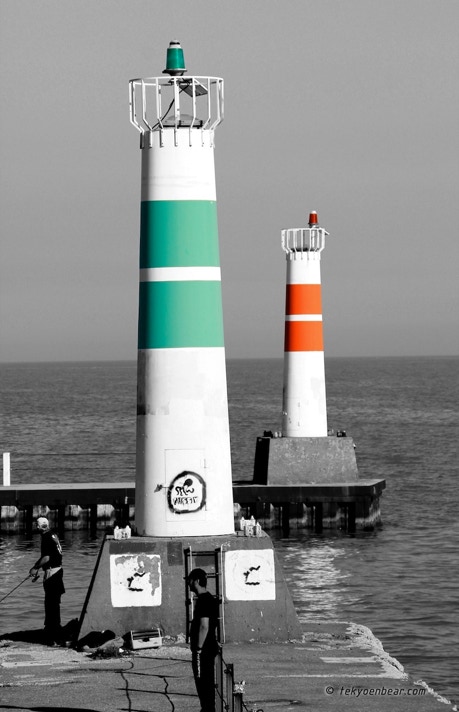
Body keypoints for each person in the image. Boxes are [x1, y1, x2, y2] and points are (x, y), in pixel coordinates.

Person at [29, 517, 65, 646]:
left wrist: (35, 568)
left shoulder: (46, 537)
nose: (36, 527)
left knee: (51, 604)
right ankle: (53, 630)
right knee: (54, 603)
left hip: (52, 573)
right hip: (58, 571)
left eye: (36, 525)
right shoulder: (53, 535)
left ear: (39, 526)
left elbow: (46, 557)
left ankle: (53, 635)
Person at [188, 568, 219, 712]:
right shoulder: (209, 599)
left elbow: (204, 626)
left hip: (204, 651)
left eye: (190, 580)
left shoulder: (204, 600)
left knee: (204, 685)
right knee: (207, 685)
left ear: (197, 581)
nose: (189, 583)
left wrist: (199, 649)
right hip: (208, 648)